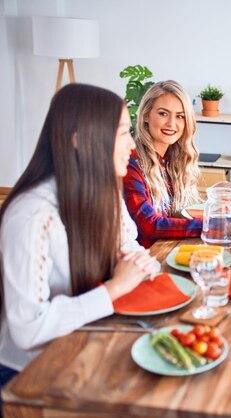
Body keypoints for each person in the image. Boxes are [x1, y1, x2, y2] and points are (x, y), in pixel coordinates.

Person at [0, 84, 159, 385]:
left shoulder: (103, 191)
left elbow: (129, 245)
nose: (133, 146)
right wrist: (114, 289)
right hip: (26, 371)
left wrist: (138, 263)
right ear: (81, 139)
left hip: (83, 340)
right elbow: (28, 329)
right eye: (123, 132)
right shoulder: (33, 215)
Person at [123, 80, 202, 248]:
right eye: (163, 113)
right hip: (144, 259)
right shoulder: (130, 162)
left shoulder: (174, 160)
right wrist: (211, 226)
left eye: (180, 116)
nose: (171, 124)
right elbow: (149, 225)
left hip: (169, 249)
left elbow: (181, 213)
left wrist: (222, 212)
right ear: (145, 115)